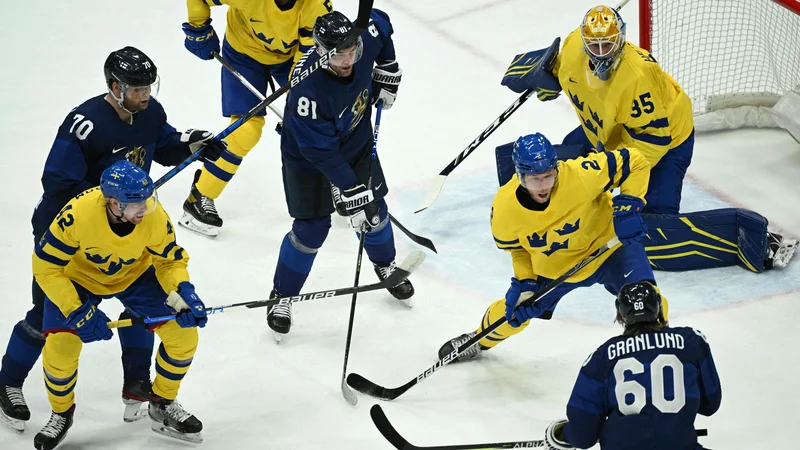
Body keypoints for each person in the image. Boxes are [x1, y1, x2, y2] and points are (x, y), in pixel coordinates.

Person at [0, 46, 225, 431]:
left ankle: (140, 385)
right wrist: (112, 199)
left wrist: (193, 144)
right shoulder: (85, 122)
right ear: (115, 87)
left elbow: (165, 145)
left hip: (128, 221)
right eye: (137, 89)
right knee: (48, 315)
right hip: (68, 225)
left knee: (146, 300)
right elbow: (58, 181)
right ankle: (7, 382)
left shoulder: (149, 112)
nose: (146, 94)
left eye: (149, 86)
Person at [498, 4, 796, 273]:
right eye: (595, 45)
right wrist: (540, 75)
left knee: (649, 233)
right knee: (555, 170)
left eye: (608, 45)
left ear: (621, 40)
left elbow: (648, 149)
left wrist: (625, 191)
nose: (601, 52)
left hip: (665, 144)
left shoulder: (638, 77)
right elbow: (556, 67)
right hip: (607, 130)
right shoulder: (574, 46)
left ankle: (750, 237)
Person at [438, 132, 670, 361]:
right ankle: (479, 339)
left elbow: (636, 161)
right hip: (558, 266)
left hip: (610, 248)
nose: (543, 186)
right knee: (515, 312)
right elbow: (517, 249)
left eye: (548, 176)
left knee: (647, 299)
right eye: (534, 179)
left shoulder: (581, 175)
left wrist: (629, 204)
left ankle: (660, 352)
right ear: (519, 176)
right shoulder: (504, 209)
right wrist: (525, 280)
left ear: (556, 168)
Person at [32, 161, 208, 450]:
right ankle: (61, 412)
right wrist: (76, 310)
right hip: (78, 281)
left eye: (149, 200)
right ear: (114, 203)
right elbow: (45, 267)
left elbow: (169, 261)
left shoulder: (152, 214)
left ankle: (162, 402)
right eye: (138, 203)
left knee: (183, 335)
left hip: (135, 275)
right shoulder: (77, 216)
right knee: (60, 348)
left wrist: (183, 291)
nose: (146, 208)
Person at [267, 9, 410, 341]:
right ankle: (282, 295)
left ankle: (386, 266)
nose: (348, 60)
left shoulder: (362, 41)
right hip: (307, 156)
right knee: (312, 229)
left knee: (375, 212)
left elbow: (380, 21)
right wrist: (350, 189)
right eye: (339, 54)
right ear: (320, 50)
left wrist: (387, 68)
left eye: (352, 51)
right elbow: (321, 153)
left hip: (354, 139)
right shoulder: (307, 92)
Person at [179, 0, 334, 236]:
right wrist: (198, 28)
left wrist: (296, 110)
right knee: (246, 130)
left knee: (318, 114)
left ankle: (340, 179)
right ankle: (200, 195)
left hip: (291, 57)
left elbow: (307, 55)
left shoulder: (316, 5)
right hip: (244, 53)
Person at [543, 281, 722, 450]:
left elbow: (583, 434)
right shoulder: (691, 342)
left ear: (620, 313)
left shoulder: (603, 356)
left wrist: (564, 435)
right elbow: (710, 404)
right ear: (659, 307)